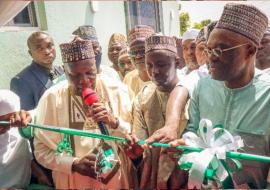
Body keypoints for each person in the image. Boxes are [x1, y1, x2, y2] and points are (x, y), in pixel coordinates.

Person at [170, 3, 270, 188]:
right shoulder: (203, 86)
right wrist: (187, 143)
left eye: (220, 50)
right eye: (208, 50)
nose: (211, 58)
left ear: (250, 50)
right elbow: (193, 130)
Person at [33, 37, 136, 189]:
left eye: (90, 73)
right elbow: (41, 151)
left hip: (115, 182)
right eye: (75, 75)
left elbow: (135, 139)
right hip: (72, 182)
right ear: (65, 71)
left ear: (96, 67)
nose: (84, 81)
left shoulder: (118, 91)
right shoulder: (51, 98)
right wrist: (73, 164)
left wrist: (114, 122)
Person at [128, 34, 187, 189]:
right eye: (149, 65)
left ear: (177, 63)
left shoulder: (192, 93)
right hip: (152, 178)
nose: (154, 71)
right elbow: (141, 145)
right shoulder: (143, 97)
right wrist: (136, 150)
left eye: (161, 64)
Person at [0, 90, 50, 188]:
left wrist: (40, 175)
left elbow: (27, 156)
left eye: (7, 122)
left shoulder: (18, 131)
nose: (3, 128)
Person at [10, 32, 64, 111]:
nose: (47, 52)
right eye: (40, 48)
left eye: (49, 46)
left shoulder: (62, 71)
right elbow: (26, 118)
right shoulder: (20, 81)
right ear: (30, 53)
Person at [123, 25, 155, 100]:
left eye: (142, 50)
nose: (138, 56)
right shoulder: (129, 78)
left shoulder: (163, 79)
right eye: (133, 52)